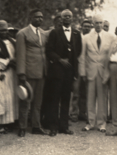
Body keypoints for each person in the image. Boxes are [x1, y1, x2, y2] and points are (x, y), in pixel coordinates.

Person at [46, 9, 82, 137]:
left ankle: (64, 126)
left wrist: (71, 65)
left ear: (72, 18)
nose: (67, 18)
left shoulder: (77, 33)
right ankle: (53, 127)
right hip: (57, 71)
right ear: (61, 19)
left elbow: (78, 51)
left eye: (70, 16)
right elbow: (49, 50)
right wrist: (60, 60)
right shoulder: (54, 33)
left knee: (66, 99)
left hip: (69, 71)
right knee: (55, 99)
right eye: (65, 16)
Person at [79, 14, 114, 132]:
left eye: (101, 23)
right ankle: (90, 122)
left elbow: (111, 56)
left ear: (103, 24)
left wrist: (109, 72)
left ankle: (102, 123)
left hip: (104, 72)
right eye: (97, 23)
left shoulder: (111, 37)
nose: (99, 25)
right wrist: (82, 72)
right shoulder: (86, 38)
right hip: (90, 71)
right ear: (93, 24)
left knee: (102, 98)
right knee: (90, 98)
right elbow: (82, 56)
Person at [16, 9, 48, 137]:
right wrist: (21, 73)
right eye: (36, 17)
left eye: (41, 17)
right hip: (28, 72)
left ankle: (36, 126)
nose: (39, 19)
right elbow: (20, 54)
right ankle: (22, 127)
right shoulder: (22, 33)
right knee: (25, 101)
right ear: (31, 18)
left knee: (38, 102)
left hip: (41, 73)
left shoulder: (43, 33)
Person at [70, 19, 92, 122]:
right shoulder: (77, 37)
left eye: (88, 26)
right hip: (77, 67)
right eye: (85, 26)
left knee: (85, 92)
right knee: (76, 91)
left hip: (88, 68)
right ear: (81, 27)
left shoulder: (92, 38)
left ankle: (83, 113)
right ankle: (74, 113)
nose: (87, 28)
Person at [0, 20, 18, 133]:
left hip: (13, 73)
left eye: (5, 30)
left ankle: (11, 122)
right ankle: (1, 124)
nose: (4, 32)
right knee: (2, 99)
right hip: (2, 73)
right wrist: (7, 63)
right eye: (1, 31)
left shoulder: (13, 41)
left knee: (12, 97)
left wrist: (14, 62)